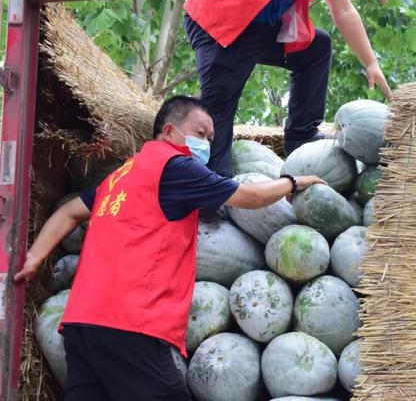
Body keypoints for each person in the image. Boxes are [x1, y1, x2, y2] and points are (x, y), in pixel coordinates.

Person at [14, 96, 325, 400]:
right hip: (128, 324)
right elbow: (252, 198)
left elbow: (69, 211)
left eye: (211, 138)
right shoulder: (175, 166)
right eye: (200, 133)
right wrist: (293, 182)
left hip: (83, 324)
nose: (206, 143)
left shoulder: (123, 174)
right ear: (168, 132)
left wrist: (35, 256)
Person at [183, 0, 392, 176]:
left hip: (262, 27)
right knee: (220, 102)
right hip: (221, 18)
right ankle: (212, 184)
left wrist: (371, 62)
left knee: (316, 48)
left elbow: (344, 10)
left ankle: (302, 135)